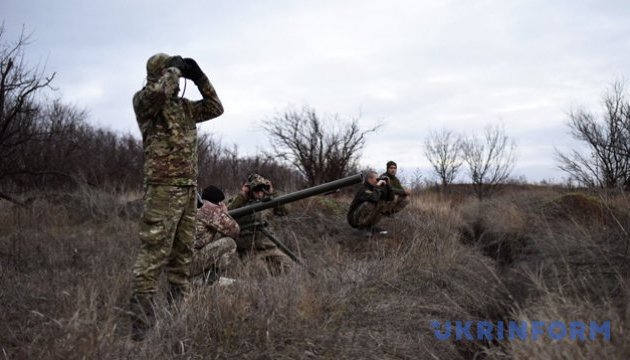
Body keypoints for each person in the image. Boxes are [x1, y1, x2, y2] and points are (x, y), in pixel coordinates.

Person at [129, 53, 223, 341]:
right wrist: (173, 69)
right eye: (172, 72)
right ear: (160, 73)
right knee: (153, 255)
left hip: (186, 189)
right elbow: (157, 93)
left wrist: (199, 77)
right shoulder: (146, 103)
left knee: (181, 257)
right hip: (161, 189)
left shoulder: (184, 108)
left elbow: (215, 107)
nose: (177, 76)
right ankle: (141, 331)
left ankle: (176, 319)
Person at [227, 173, 293, 275]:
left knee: (287, 267)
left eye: (262, 190)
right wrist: (242, 196)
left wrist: (272, 192)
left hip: (269, 247)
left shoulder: (268, 202)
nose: (259, 193)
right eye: (256, 190)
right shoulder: (239, 202)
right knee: (259, 272)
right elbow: (225, 213)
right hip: (250, 250)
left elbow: (285, 211)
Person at [190, 185, 239, 285]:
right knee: (229, 243)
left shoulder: (196, 210)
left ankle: (197, 278)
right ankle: (210, 279)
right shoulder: (209, 211)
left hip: (180, 263)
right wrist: (225, 213)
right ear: (219, 203)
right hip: (191, 263)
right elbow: (234, 231)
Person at [347, 170, 395, 236]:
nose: (378, 181)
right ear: (370, 179)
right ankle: (361, 228)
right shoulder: (363, 189)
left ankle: (368, 226)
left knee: (383, 202)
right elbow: (374, 198)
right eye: (377, 179)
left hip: (360, 216)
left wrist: (388, 185)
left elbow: (390, 198)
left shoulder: (375, 189)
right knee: (371, 202)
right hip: (354, 219)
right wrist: (378, 186)